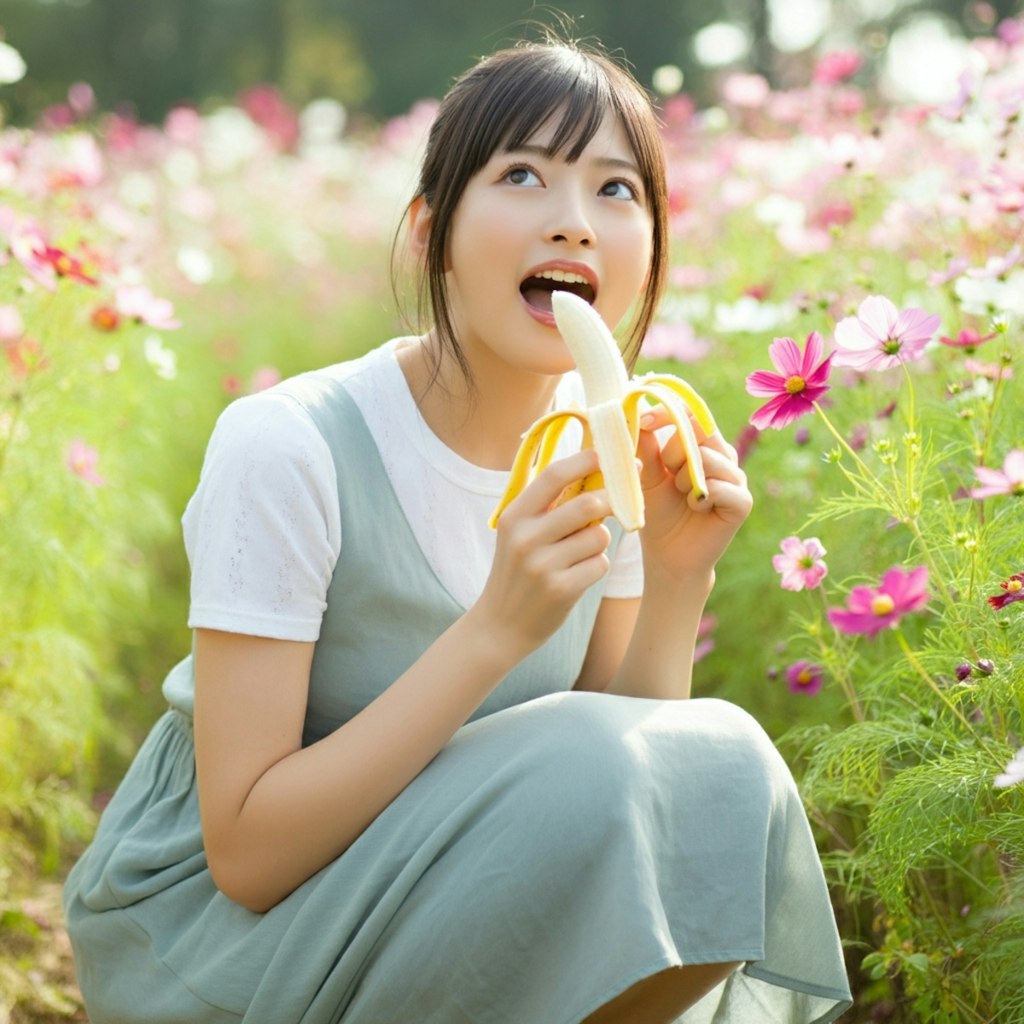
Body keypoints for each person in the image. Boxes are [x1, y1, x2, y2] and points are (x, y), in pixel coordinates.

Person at [63, 38, 852, 1024]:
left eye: (615, 190)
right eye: (521, 174)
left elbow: (634, 778)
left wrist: (676, 574)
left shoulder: (597, 449)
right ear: (432, 231)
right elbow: (247, 856)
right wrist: (493, 631)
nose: (572, 223)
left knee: (713, 764)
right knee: (717, 762)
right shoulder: (289, 447)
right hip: (234, 945)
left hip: (458, 902)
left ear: (651, 247)